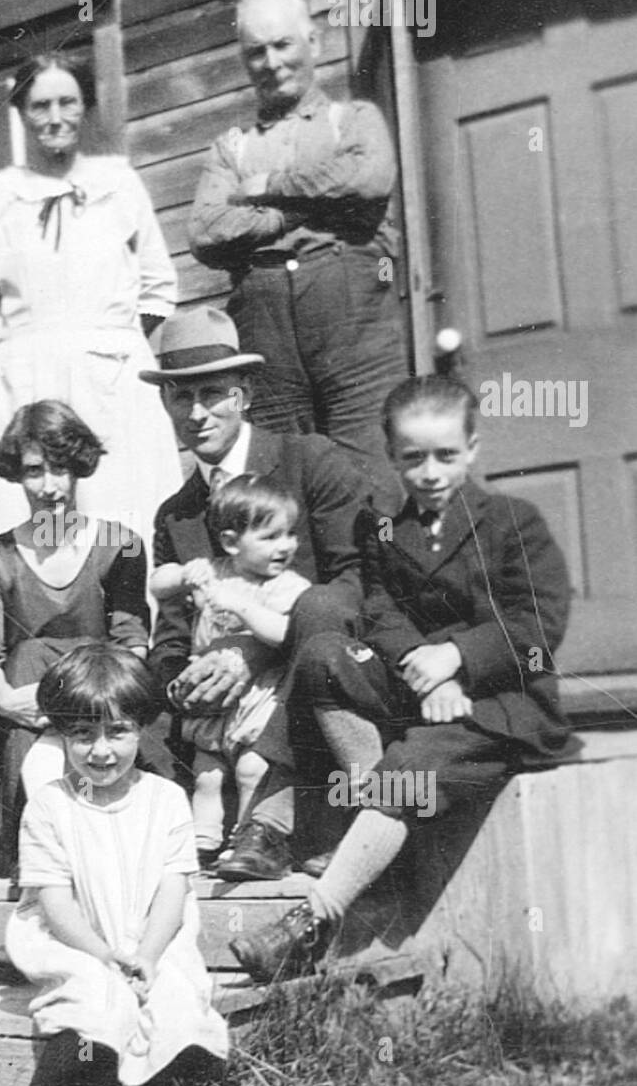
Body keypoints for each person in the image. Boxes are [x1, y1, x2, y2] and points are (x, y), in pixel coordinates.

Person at [230, 376, 577, 983]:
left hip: (502, 705)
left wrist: (458, 660)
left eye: (446, 455)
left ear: (472, 449)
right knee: (325, 654)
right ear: (391, 457)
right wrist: (423, 666)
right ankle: (369, 828)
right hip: (420, 689)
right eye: (413, 457)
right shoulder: (385, 526)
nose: (431, 472)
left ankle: (313, 920)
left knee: (412, 768)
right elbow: (380, 609)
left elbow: (536, 624)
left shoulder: (512, 522)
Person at [0, 644, 270, 1086]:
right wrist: (104, 954)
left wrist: (150, 955)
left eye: (118, 732)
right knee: (95, 998)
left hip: (153, 937)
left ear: (141, 729)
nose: (101, 751)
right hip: (75, 937)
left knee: (181, 1005)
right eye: (82, 735)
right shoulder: (50, 804)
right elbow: (56, 901)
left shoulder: (165, 800)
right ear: (60, 736)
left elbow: (172, 888)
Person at [142, 305, 365, 881]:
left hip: (319, 666)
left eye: (212, 394)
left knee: (316, 608)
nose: (195, 415)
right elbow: (169, 632)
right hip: (218, 710)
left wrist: (253, 647)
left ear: (243, 394)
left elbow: (357, 581)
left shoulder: (308, 460)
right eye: (178, 399)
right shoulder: (177, 514)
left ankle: (271, 825)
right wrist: (186, 680)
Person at [188, 0, 404, 504]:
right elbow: (205, 231)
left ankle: (385, 586)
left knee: (374, 466)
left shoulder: (352, 119)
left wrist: (267, 188)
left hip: (348, 305)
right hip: (263, 318)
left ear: (315, 42)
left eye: (283, 44)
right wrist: (302, 210)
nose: (271, 62)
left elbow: (369, 177)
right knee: (284, 477)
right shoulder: (232, 146)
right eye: (255, 52)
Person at [0, 49, 182, 541]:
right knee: (33, 522)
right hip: (24, 380)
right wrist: (16, 363)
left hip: (112, 375)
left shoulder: (119, 182)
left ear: (84, 107)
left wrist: (115, 347)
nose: (55, 118)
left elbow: (158, 286)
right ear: (21, 113)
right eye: (40, 106)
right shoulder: (4, 192)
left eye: (67, 102)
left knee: (119, 513)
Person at [0, 401, 149, 864]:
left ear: (78, 470)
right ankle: (37, 850)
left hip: (104, 692)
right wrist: (7, 700)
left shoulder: (118, 544)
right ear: (17, 477)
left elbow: (132, 643)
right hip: (26, 703)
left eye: (61, 469)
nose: (49, 487)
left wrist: (89, 700)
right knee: (25, 655)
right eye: (34, 471)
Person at [151, 476, 310, 865]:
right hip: (212, 700)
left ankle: (247, 843)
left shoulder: (289, 585)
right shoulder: (215, 571)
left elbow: (285, 634)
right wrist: (185, 573)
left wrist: (242, 607)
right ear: (230, 542)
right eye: (271, 537)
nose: (286, 546)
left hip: (258, 696)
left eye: (290, 534)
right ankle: (202, 842)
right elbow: (158, 585)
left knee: (251, 769)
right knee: (207, 775)